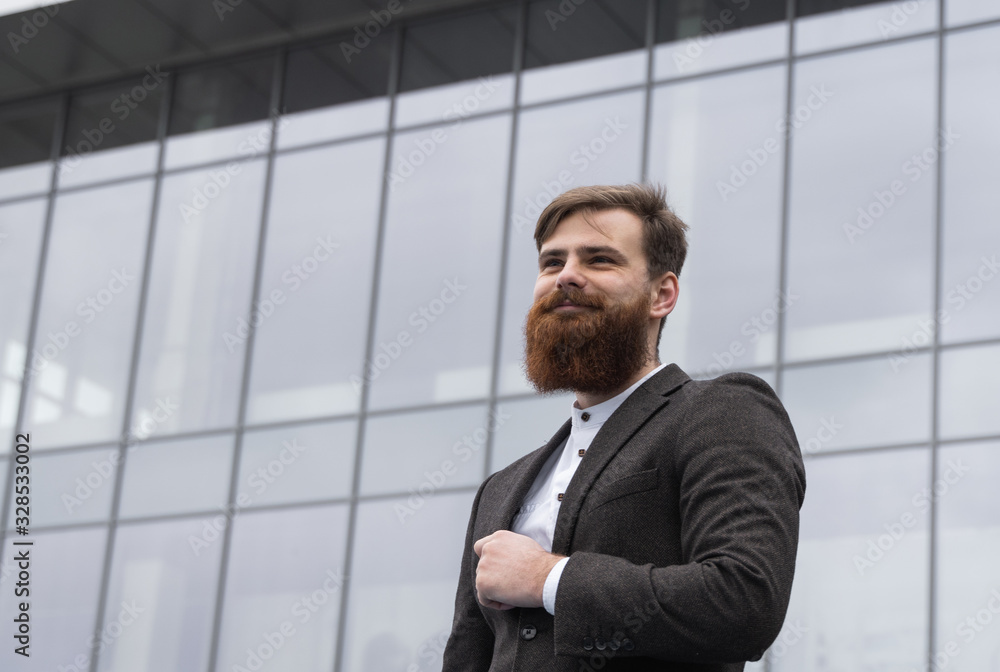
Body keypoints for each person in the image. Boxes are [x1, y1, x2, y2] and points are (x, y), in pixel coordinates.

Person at [442, 183, 805, 671]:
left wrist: (548, 579)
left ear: (662, 294)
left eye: (599, 260)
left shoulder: (722, 412)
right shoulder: (500, 488)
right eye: (552, 262)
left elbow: (744, 601)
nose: (567, 276)